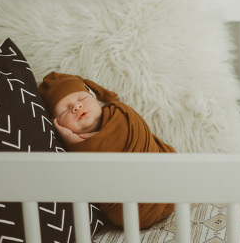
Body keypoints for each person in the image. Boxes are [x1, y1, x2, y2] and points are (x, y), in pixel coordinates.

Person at [38, 71, 176, 230]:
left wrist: (90, 142)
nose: (77, 106)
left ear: (95, 98)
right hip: (130, 212)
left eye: (82, 98)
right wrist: (73, 143)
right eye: (64, 111)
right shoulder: (66, 148)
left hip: (165, 177)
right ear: (57, 125)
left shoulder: (122, 114)